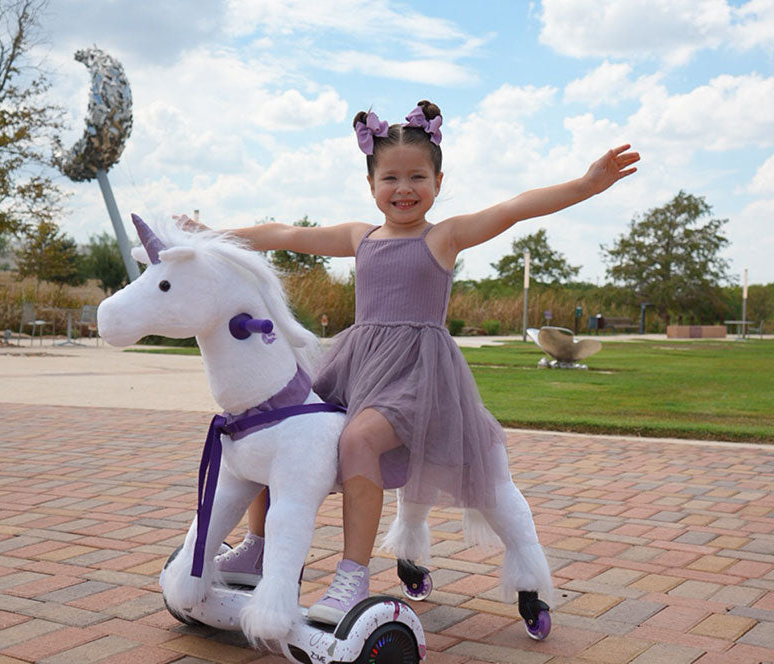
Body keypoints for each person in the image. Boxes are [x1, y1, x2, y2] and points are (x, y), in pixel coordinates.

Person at [187, 100, 640, 625]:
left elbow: (515, 208)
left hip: (416, 376)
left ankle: (352, 577)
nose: (404, 188)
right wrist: (209, 235)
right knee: (279, 431)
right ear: (371, 184)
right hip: (357, 366)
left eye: (417, 176)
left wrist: (585, 185)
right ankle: (258, 545)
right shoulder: (361, 239)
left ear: (439, 181)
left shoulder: (442, 237)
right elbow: (283, 233)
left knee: (359, 440)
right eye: (391, 178)